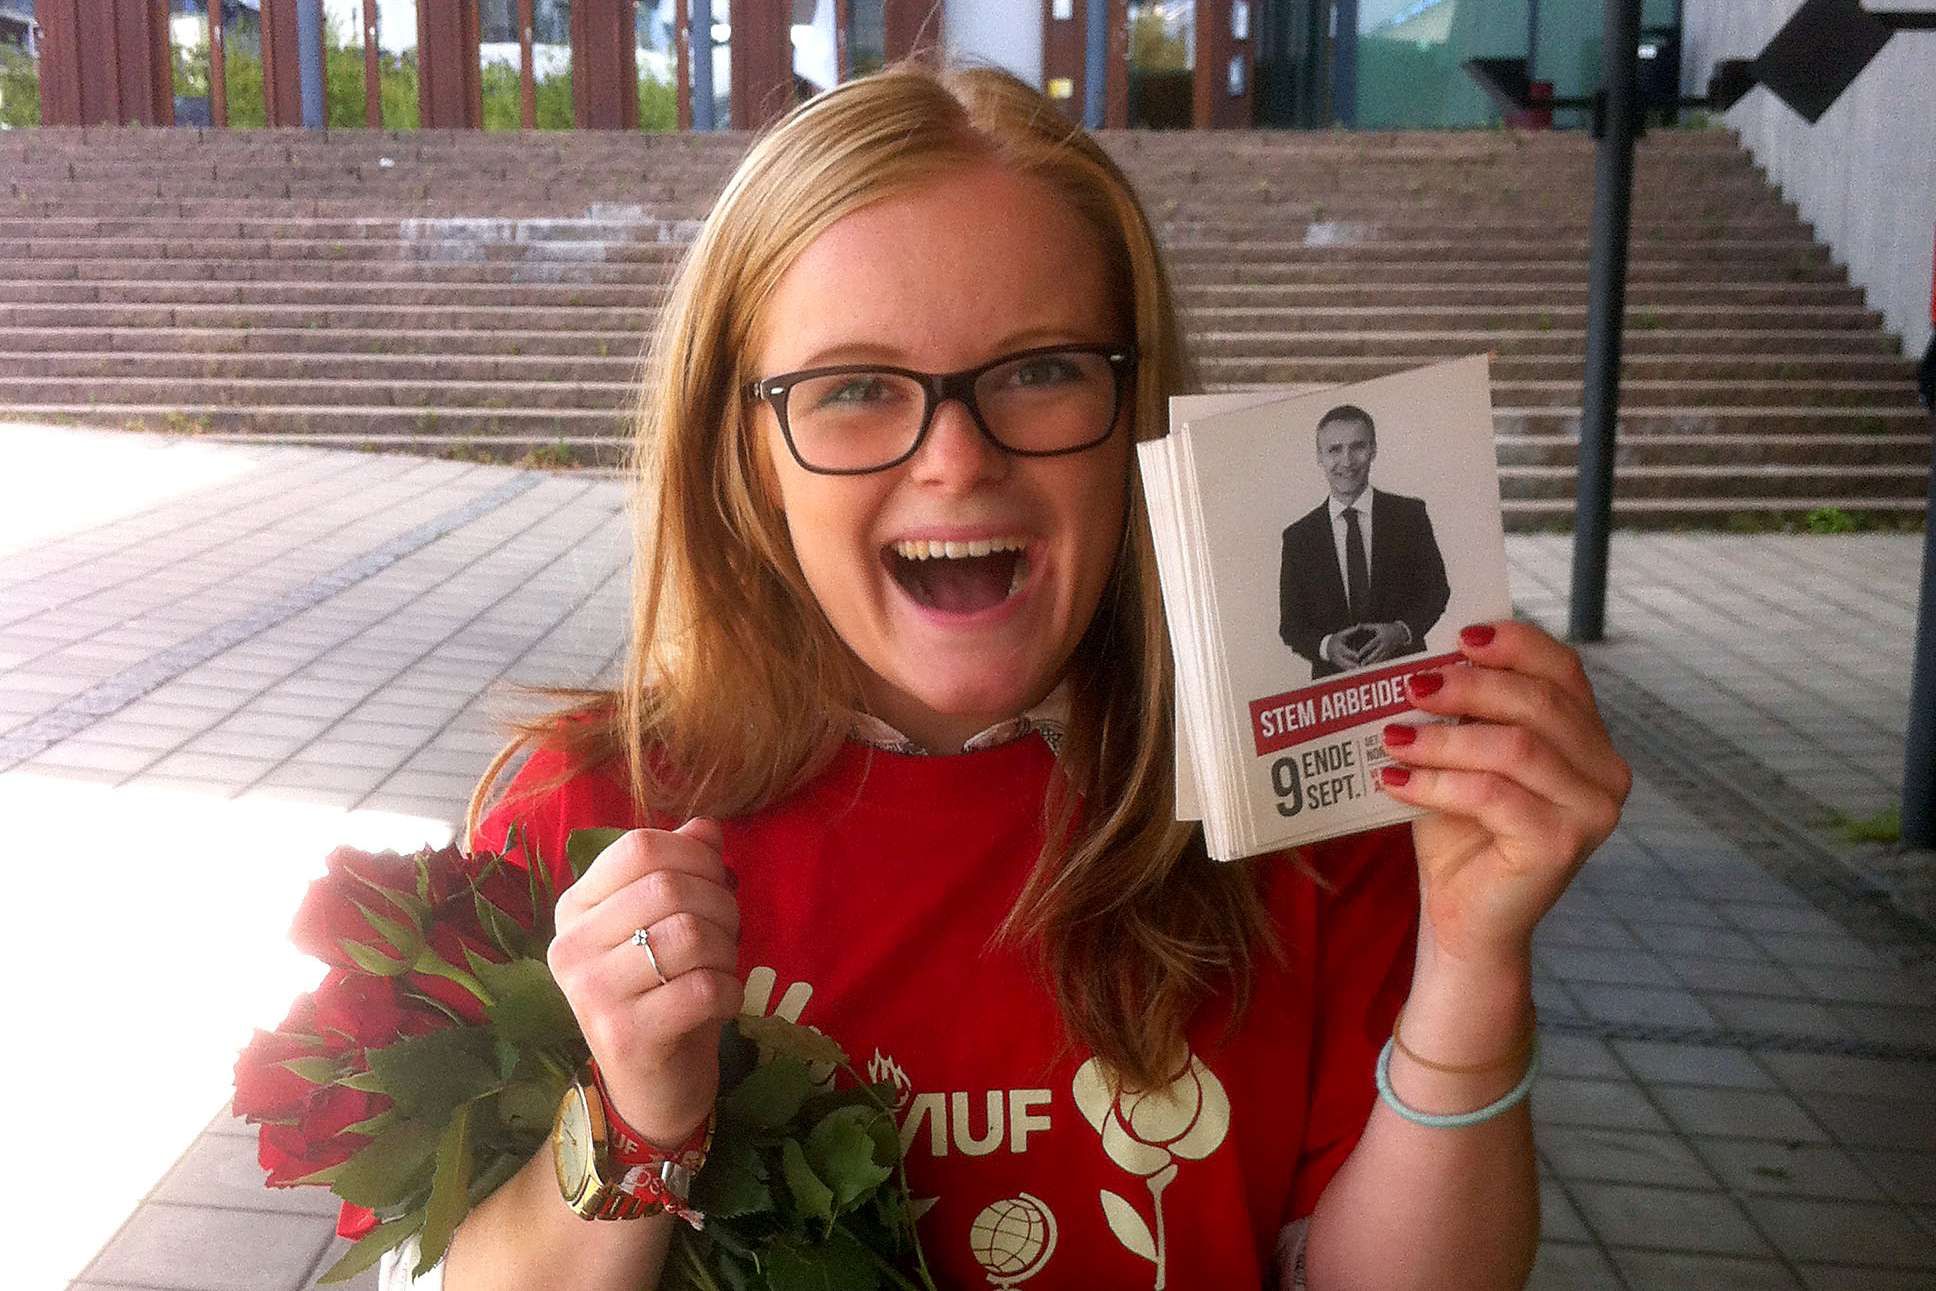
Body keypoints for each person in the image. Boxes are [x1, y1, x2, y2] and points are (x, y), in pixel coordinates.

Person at [397, 61, 1630, 1291]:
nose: (955, 458)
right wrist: (635, 1116)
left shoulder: (1299, 807)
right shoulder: (584, 822)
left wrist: (1474, 964)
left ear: (1138, 413)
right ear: (746, 450)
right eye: (854, 388)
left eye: (1041, 370)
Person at [1278, 404, 1450, 680]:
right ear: (1319, 457)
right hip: (1333, 686)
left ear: (1373, 450)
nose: (1347, 461)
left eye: (1357, 447)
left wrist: (1401, 631)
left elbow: (1436, 591)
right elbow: (1292, 625)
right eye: (1334, 450)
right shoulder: (1299, 537)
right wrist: (1326, 646)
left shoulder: (1409, 515)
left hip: (1405, 675)